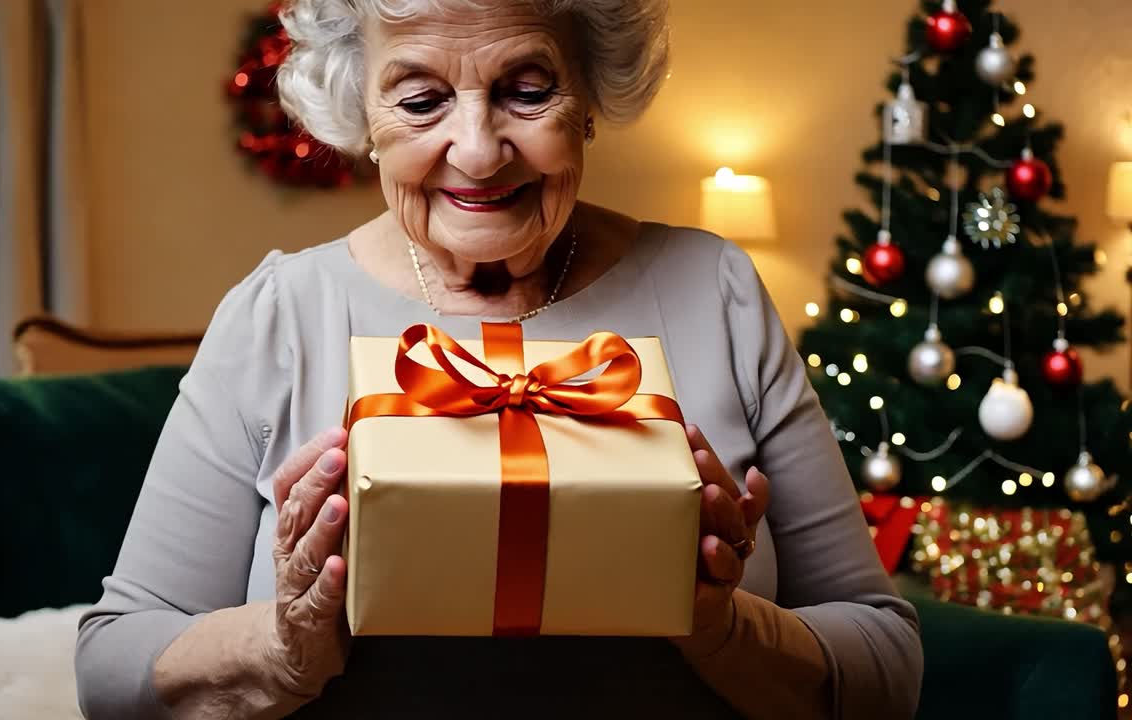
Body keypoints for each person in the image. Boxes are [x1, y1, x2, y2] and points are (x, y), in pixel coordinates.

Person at [75, 1, 923, 717]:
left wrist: (725, 629)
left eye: (527, 90)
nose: (478, 151)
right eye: (419, 101)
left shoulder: (716, 292)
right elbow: (113, 667)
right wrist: (287, 640)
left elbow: (888, 657)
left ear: (590, 95)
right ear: (359, 111)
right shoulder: (277, 316)